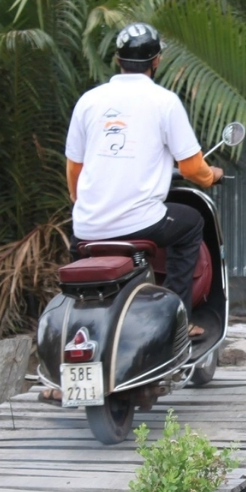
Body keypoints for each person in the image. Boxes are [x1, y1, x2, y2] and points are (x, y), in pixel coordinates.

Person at [64, 22, 223, 337]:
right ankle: (177, 319)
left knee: (77, 261)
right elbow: (192, 169)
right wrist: (211, 175)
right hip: (142, 224)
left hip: (86, 228)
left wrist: (84, 204)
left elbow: (74, 169)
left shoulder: (89, 101)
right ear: (156, 61)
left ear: (117, 59)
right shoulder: (164, 102)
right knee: (191, 223)